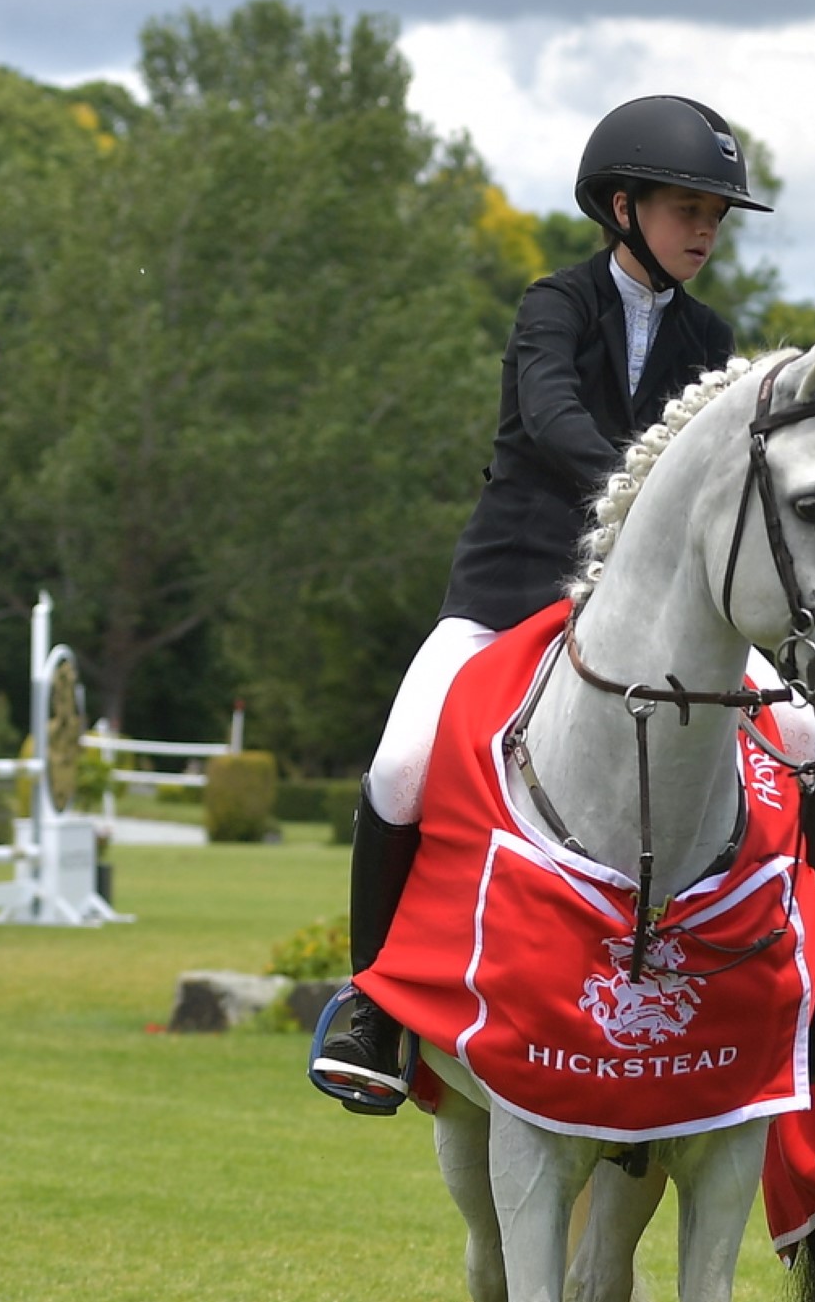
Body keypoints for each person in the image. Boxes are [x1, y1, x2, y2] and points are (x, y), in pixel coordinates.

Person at [311, 95, 776, 1111]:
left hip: (649, 611)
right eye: (686, 208)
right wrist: (648, 489)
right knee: (399, 762)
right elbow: (555, 418)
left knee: (809, 740)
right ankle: (375, 1005)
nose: (705, 230)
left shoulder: (713, 333)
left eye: (716, 214)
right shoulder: (551, 305)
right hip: (513, 583)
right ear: (621, 207)